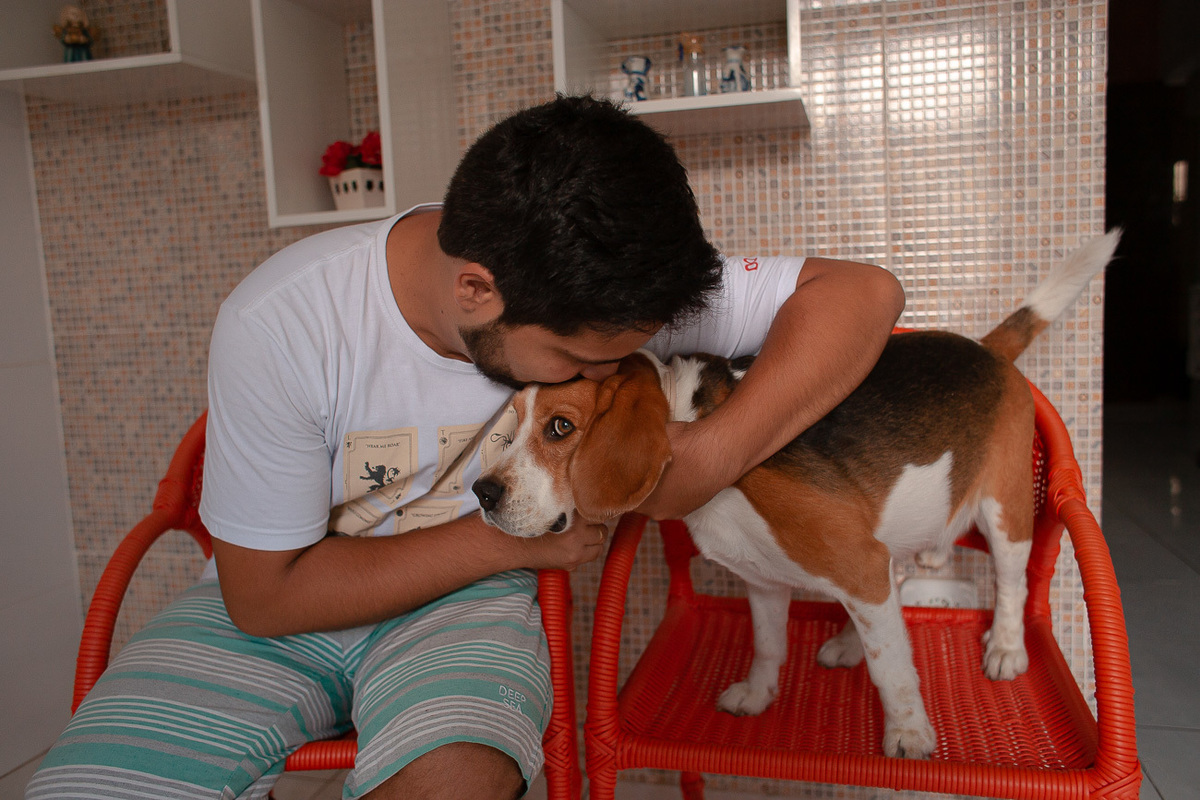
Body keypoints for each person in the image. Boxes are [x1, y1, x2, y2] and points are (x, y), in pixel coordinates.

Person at [28, 95, 904, 800]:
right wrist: (512, 539)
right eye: (574, 361)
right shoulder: (282, 322)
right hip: (265, 610)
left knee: (456, 778)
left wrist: (707, 459)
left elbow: (864, 293)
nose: (599, 374)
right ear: (476, 290)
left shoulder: (590, 290)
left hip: (465, 609)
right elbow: (263, 600)